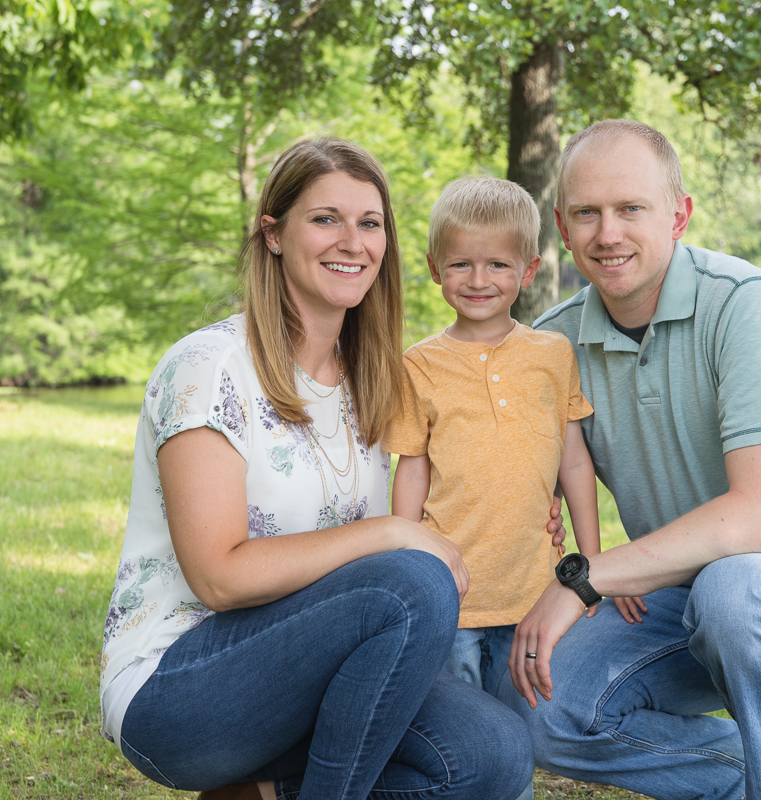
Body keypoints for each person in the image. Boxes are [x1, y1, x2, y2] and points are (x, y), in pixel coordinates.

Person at [99, 138, 534, 800]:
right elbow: (219, 577)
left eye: (370, 223)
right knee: (405, 581)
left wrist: (534, 514)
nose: (352, 242)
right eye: (325, 218)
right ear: (273, 234)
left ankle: (260, 793)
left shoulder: (370, 382)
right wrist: (389, 534)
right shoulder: (211, 368)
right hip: (177, 687)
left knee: (491, 754)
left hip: (311, 669)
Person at [503, 120, 761, 800]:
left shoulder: (743, 305)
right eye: (588, 213)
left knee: (738, 588)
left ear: (679, 215)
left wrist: (588, 578)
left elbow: (760, 519)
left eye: (630, 209)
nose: (608, 233)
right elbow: (491, 481)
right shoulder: (552, 348)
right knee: (543, 703)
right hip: (685, 597)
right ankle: (749, 779)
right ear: (563, 225)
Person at [384, 177, 641, 700]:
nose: (479, 280)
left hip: (533, 592)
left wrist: (589, 566)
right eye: (460, 264)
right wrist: (407, 567)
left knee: (521, 728)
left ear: (528, 270)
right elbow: (411, 468)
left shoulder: (552, 355)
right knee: (460, 728)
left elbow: (573, 461)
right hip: (449, 596)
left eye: (498, 264)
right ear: (435, 269)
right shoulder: (419, 365)